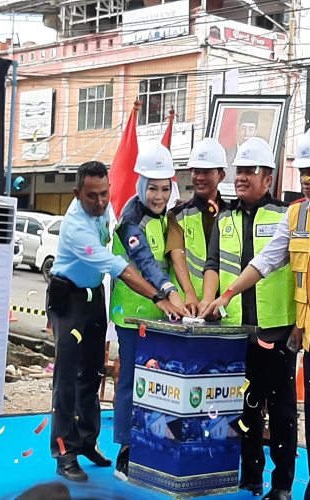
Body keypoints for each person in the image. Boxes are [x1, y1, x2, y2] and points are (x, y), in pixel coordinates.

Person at [201, 127, 310, 499]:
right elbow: (266, 261)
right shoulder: (297, 213)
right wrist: (228, 293)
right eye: (302, 172)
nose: (307, 179)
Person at [46, 161, 183, 483]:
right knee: (66, 380)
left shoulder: (105, 210)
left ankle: (87, 441)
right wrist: (158, 297)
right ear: (77, 193)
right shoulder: (75, 227)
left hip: (95, 295)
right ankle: (64, 453)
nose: (100, 202)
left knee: (92, 373)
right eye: (92, 196)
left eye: (105, 194)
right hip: (69, 300)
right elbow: (121, 268)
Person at [198, 137, 297, 500]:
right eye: (239, 170)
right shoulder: (224, 218)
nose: (241, 177)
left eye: (249, 171)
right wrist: (209, 301)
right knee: (245, 409)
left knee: (283, 412)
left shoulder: (285, 216)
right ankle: (249, 477)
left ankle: (282, 484)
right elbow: (212, 266)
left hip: (277, 329)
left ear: (267, 178)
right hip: (237, 331)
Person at [109, 142, 187, 481]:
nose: (158, 195)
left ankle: (152, 445)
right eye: (153, 188)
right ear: (141, 186)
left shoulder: (165, 218)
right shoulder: (131, 219)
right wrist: (168, 290)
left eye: (164, 188)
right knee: (129, 382)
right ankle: (126, 451)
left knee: (157, 383)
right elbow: (145, 263)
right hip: (131, 318)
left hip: (159, 318)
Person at [166, 138, 228, 315]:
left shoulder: (232, 214)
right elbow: (177, 256)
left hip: (225, 308)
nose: (200, 177)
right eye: (196, 171)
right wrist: (190, 293)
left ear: (221, 176)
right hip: (189, 309)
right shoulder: (178, 215)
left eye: (206, 172)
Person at [224, 110, 259, 177]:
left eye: (251, 129)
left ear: (255, 132)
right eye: (243, 128)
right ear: (238, 129)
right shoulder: (227, 155)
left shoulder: (260, 157)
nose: (246, 133)